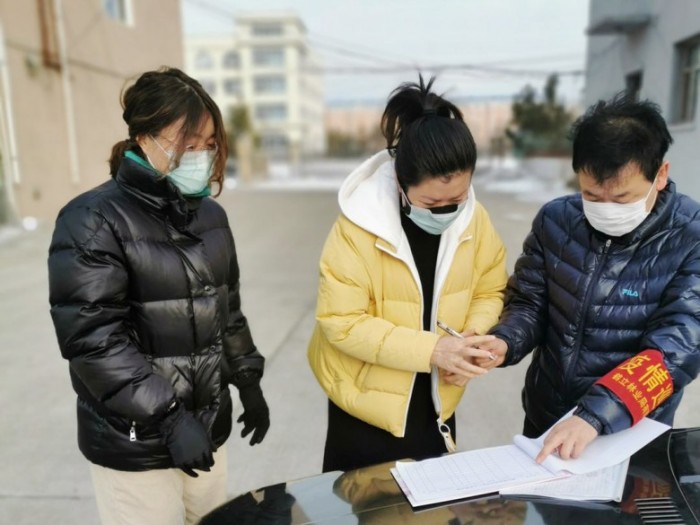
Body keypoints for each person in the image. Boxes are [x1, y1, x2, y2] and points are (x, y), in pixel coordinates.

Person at [47, 67, 270, 525]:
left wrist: (247, 380)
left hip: (206, 433)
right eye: (188, 143)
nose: (201, 156)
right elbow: (94, 341)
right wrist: (168, 418)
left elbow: (227, 312)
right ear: (144, 137)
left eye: (209, 144)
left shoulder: (211, 217)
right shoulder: (92, 220)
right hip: (136, 446)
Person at [478, 94, 700, 462]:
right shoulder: (557, 220)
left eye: (622, 198)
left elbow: (676, 348)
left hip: (631, 431)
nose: (606, 208)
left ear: (660, 175)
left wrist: (595, 416)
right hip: (548, 418)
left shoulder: (690, 237)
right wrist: (505, 340)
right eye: (592, 195)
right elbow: (530, 303)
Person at [307, 76, 508, 472]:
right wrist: (434, 350)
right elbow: (342, 322)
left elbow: (489, 289)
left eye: (457, 199)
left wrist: (469, 339)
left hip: (437, 402)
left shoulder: (475, 220)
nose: (446, 211)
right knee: (364, 501)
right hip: (364, 406)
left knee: (433, 499)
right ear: (400, 181)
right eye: (432, 202)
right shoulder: (358, 226)